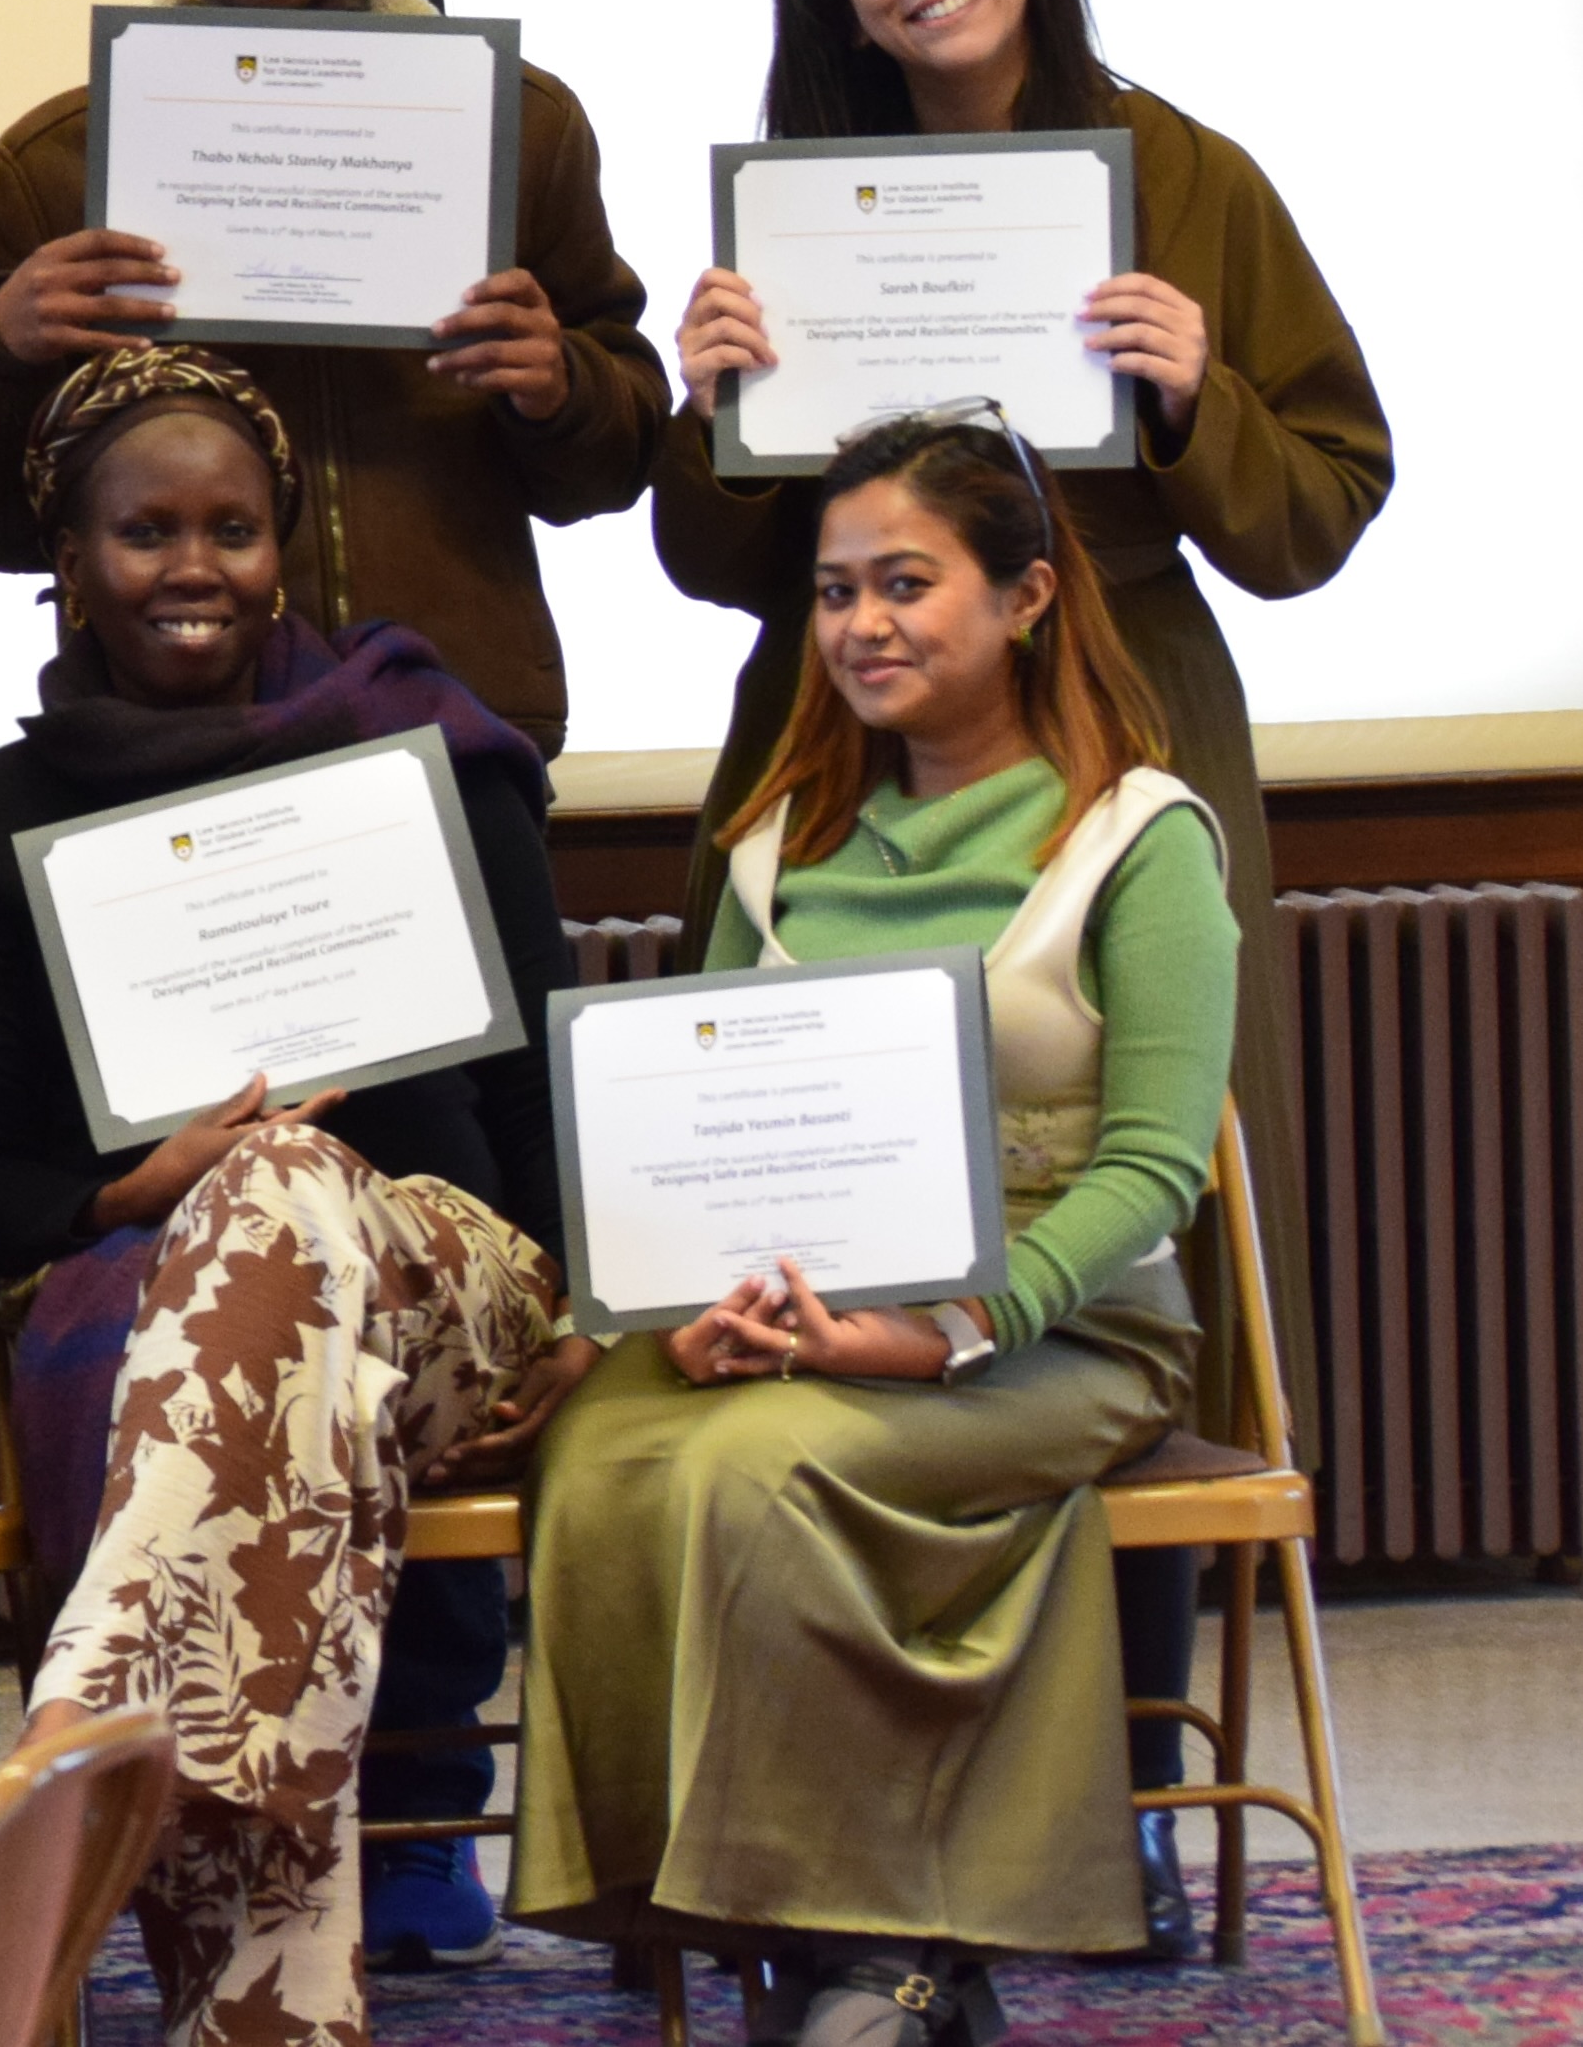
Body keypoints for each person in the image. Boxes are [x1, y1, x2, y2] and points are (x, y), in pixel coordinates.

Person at [649, 0, 1386, 1947]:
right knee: (820, 1185)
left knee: (1124, 1227)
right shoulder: (796, 205)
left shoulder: (1184, 177)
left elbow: (1322, 507)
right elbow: (714, 561)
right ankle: (837, 1780)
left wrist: (1190, 395)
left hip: (1116, 727)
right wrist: (712, 401)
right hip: (849, 751)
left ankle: (1133, 1769)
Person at [523, 409, 1237, 2046]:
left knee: (754, 1471)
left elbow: (1153, 1169)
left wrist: (944, 1331)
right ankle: (754, 1928)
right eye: (836, 590)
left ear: (1027, 595)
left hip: (1064, 1325)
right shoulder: (775, 842)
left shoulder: (1138, 837)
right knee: (603, 1458)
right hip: (795, 1308)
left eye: (905, 583)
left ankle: (880, 1956)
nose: (860, 624)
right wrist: (680, 1306)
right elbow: (684, 1125)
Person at [0, 349, 587, 2036]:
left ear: (283, 544)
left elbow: (541, 1095)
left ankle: (89, 1732)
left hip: (449, 1293)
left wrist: (583, 1310)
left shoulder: (430, 756)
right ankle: (259, 1989)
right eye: (145, 530)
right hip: (161, 1305)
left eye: (232, 526)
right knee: (263, 1202)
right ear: (67, 560)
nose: (193, 563)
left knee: (283, 1166)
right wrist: (134, 1188)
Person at [0, 0, 665, 753]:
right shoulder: (52, 166)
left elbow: (611, 472)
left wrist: (562, 388)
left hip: (459, 720)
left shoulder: (517, 128)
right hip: (167, 735)